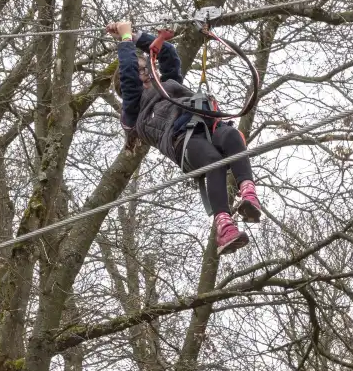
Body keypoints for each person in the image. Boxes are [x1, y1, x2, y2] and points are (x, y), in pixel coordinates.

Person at [109, 19, 261, 255]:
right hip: (183, 140)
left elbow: (168, 53)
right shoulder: (134, 110)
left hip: (207, 122)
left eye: (146, 68)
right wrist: (125, 38)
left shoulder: (167, 85)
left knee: (232, 135)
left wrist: (139, 37)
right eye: (140, 70)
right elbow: (128, 74)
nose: (146, 72)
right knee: (213, 161)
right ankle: (224, 225)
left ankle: (248, 193)